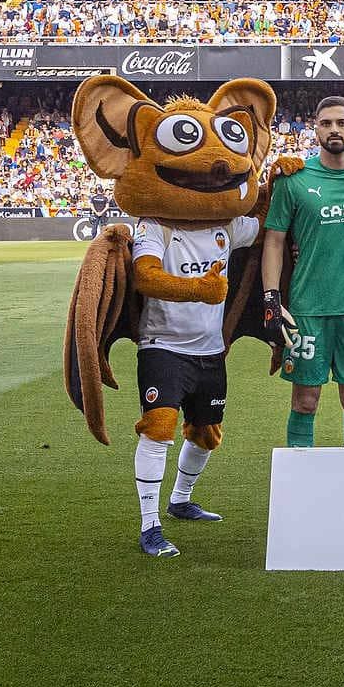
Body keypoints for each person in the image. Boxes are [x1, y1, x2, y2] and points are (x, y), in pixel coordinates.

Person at [130, 212, 260, 556]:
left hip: (211, 349)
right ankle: (150, 526)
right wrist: (195, 289)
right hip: (163, 346)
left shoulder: (227, 226)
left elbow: (266, 222)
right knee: (157, 429)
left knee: (207, 433)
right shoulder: (154, 226)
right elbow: (145, 276)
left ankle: (180, 499)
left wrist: (275, 182)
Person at [262, 96, 344, 449]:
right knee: (305, 400)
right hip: (307, 309)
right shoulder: (294, 178)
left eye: (341, 123)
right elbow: (274, 240)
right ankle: (299, 486)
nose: (334, 130)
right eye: (326, 123)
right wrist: (271, 298)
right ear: (314, 128)